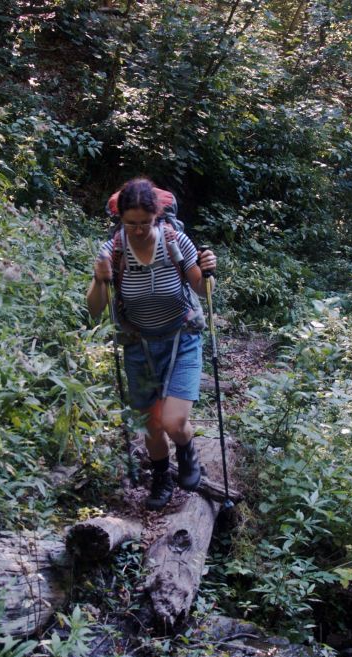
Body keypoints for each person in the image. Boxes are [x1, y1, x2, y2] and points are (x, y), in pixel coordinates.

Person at [87, 177, 217, 511]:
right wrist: (101, 279)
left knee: (173, 422)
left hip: (181, 339)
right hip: (138, 346)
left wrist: (208, 271)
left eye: (145, 222)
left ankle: (187, 452)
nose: (139, 229)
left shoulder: (176, 242)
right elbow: (95, 308)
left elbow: (202, 291)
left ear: (157, 217)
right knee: (152, 425)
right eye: (131, 223)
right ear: (121, 220)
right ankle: (162, 478)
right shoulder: (113, 250)